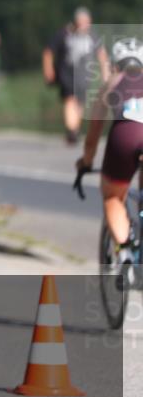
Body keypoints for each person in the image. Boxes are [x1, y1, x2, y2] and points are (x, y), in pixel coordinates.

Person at [77, 37, 143, 285]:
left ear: (116, 64)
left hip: (125, 136)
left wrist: (86, 161)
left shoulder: (111, 83)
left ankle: (124, 252)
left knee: (114, 197)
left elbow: (94, 133)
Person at [43, 7, 110, 144]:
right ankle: (71, 130)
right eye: (82, 22)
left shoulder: (92, 35)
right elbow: (48, 51)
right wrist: (48, 69)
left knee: (79, 102)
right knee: (69, 99)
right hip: (66, 74)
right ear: (76, 21)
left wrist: (105, 74)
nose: (84, 25)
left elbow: (102, 54)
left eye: (86, 22)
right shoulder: (64, 33)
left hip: (84, 76)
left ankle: (74, 129)